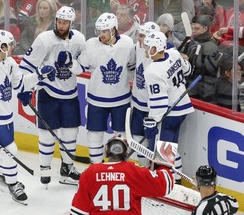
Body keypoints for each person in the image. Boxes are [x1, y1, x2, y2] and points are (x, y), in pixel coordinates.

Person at [0, 29, 54, 204]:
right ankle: (13, 184)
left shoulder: (10, 62)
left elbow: (20, 84)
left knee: (2, 152)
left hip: (7, 117)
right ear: (3, 46)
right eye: (10, 44)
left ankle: (4, 180)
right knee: (10, 151)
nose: (13, 47)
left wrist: (39, 75)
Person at [18, 6, 85, 187]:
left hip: (70, 93)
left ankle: (67, 168)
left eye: (65, 23)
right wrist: (25, 88)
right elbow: (25, 66)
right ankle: (45, 168)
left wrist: (72, 64)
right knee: (47, 135)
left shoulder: (79, 39)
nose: (61, 25)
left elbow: (83, 67)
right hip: (48, 92)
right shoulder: (44, 39)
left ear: (72, 23)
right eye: (59, 21)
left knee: (71, 134)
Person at [70, 12, 136, 164]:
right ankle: (96, 167)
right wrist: (70, 63)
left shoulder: (126, 43)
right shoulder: (91, 45)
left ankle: (119, 167)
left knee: (121, 136)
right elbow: (80, 68)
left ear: (114, 30)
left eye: (105, 31)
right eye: (99, 31)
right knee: (94, 135)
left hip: (121, 99)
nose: (101, 34)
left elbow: (132, 66)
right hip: (97, 99)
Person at [70, 135, 174, 214]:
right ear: (126, 153)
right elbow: (165, 185)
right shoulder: (133, 171)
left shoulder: (90, 172)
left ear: (106, 150)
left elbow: (78, 211)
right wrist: (163, 164)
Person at [142, 31, 194, 183]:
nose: (145, 50)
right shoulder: (173, 53)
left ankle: (166, 183)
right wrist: (175, 54)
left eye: (147, 47)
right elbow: (188, 70)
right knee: (170, 148)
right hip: (182, 108)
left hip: (168, 113)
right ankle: (176, 180)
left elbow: (159, 101)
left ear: (155, 48)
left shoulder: (152, 71)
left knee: (163, 152)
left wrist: (152, 121)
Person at [130, 21, 160, 167]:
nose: (139, 39)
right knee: (137, 137)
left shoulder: (162, 56)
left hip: (154, 108)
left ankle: (156, 173)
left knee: (155, 141)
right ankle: (144, 169)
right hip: (138, 102)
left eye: (142, 36)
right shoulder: (137, 47)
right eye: (139, 35)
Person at [182, 14, 222, 103]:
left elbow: (209, 71)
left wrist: (189, 60)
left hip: (203, 92)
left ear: (205, 28)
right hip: (190, 87)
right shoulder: (191, 42)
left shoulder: (210, 46)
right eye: (192, 28)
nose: (193, 31)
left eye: (197, 28)